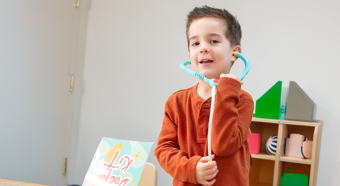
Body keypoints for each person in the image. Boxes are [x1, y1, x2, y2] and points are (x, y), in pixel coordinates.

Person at [154, 5, 254, 186]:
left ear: (235, 53)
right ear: (190, 54)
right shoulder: (176, 102)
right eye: (195, 43)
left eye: (214, 41)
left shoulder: (243, 100)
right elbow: (164, 149)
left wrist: (228, 90)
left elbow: (223, 145)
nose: (203, 48)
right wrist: (190, 169)